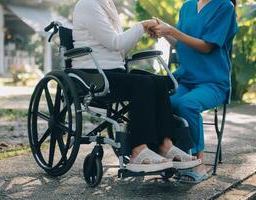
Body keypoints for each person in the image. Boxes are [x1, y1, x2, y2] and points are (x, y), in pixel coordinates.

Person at [72, 0, 201, 173]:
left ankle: (166, 145)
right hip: (93, 75)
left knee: (159, 82)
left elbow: (120, 51)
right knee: (144, 84)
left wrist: (140, 29)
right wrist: (141, 26)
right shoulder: (87, 4)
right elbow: (116, 43)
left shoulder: (107, 5)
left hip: (114, 72)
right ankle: (137, 150)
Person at [150, 0, 238, 183]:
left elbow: (206, 47)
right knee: (164, 101)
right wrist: (163, 32)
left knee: (187, 104)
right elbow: (179, 45)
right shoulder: (187, 6)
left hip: (213, 82)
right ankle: (174, 155)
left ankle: (198, 163)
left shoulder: (225, 7)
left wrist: (171, 30)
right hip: (186, 78)